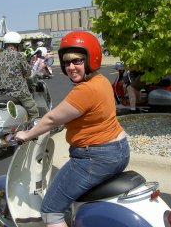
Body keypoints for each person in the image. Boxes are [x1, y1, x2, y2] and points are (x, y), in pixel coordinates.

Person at [15, 31, 130, 227]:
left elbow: (51, 119)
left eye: (77, 61)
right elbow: (86, 115)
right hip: (118, 150)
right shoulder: (101, 81)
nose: (71, 67)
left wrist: (26, 134)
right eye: (67, 62)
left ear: (90, 59)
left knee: (51, 210)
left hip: (94, 157)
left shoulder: (85, 90)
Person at [0, 31, 39, 119]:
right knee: (33, 112)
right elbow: (28, 73)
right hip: (19, 92)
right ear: (17, 45)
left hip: (1, 93)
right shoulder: (19, 55)